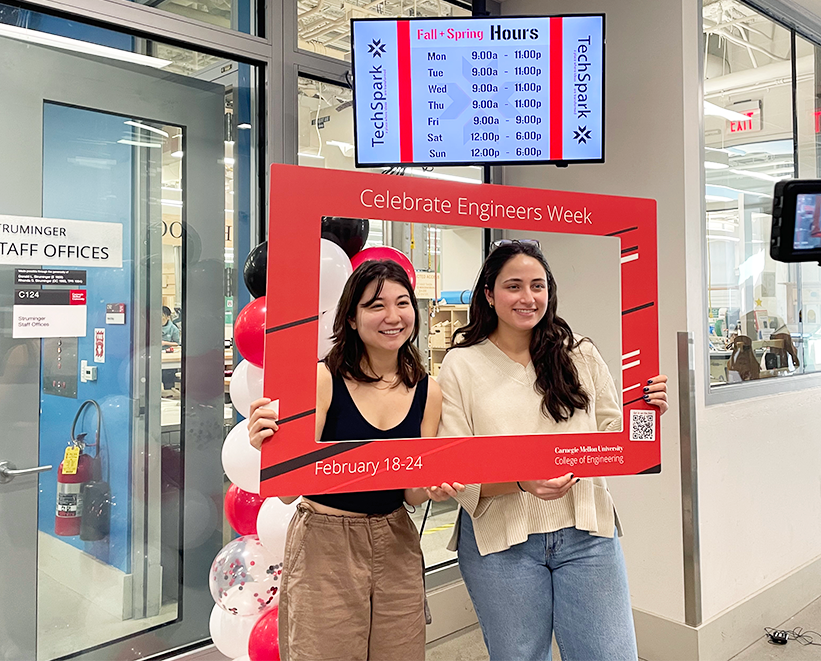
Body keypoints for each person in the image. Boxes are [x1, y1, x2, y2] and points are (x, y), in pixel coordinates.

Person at [437, 240, 669, 661]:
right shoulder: (460, 365)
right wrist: (522, 482)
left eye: (538, 285)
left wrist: (649, 414)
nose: (528, 298)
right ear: (489, 294)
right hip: (501, 542)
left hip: (587, 531)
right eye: (514, 286)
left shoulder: (579, 353)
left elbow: (618, 436)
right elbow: (457, 469)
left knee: (610, 654)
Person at [247, 260, 463, 661]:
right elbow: (289, 490)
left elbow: (412, 494)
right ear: (351, 317)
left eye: (403, 303)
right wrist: (270, 449)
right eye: (376, 305)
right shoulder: (322, 381)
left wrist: (435, 483)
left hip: (395, 538)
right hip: (324, 543)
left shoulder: (428, 391)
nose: (393, 316)